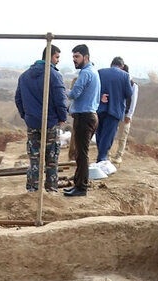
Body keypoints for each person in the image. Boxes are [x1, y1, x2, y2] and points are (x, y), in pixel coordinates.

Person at [14, 45, 67, 193]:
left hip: (32, 124)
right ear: (49, 56)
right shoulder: (54, 75)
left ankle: (33, 189)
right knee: (51, 160)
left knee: (34, 159)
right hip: (50, 124)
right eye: (56, 57)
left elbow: (18, 99)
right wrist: (62, 118)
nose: (58, 61)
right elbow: (60, 100)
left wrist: (26, 116)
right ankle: (51, 191)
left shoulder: (24, 76)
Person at [63, 44, 100, 198]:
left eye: (77, 57)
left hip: (84, 118)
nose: (74, 60)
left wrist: (64, 91)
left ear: (86, 57)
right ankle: (78, 184)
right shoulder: (93, 72)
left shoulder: (85, 73)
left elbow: (75, 94)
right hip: (88, 116)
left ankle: (81, 187)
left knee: (82, 154)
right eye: (73, 57)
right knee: (80, 153)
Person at [95, 58, 132, 165]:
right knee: (108, 135)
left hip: (99, 109)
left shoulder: (100, 72)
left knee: (100, 133)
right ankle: (102, 158)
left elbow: (94, 89)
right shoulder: (125, 75)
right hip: (114, 110)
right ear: (122, 66)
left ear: (111, 64)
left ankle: (101, 155)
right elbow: (129, 94)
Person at [112, 63, 139, 165]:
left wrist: (129, 115)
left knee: (122, 136)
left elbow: (133, 101)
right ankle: (108, 155)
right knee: (111, 134)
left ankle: (119, 155)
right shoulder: (118, 83)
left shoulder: (133, 85)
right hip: (115, 112)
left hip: (125, 114)